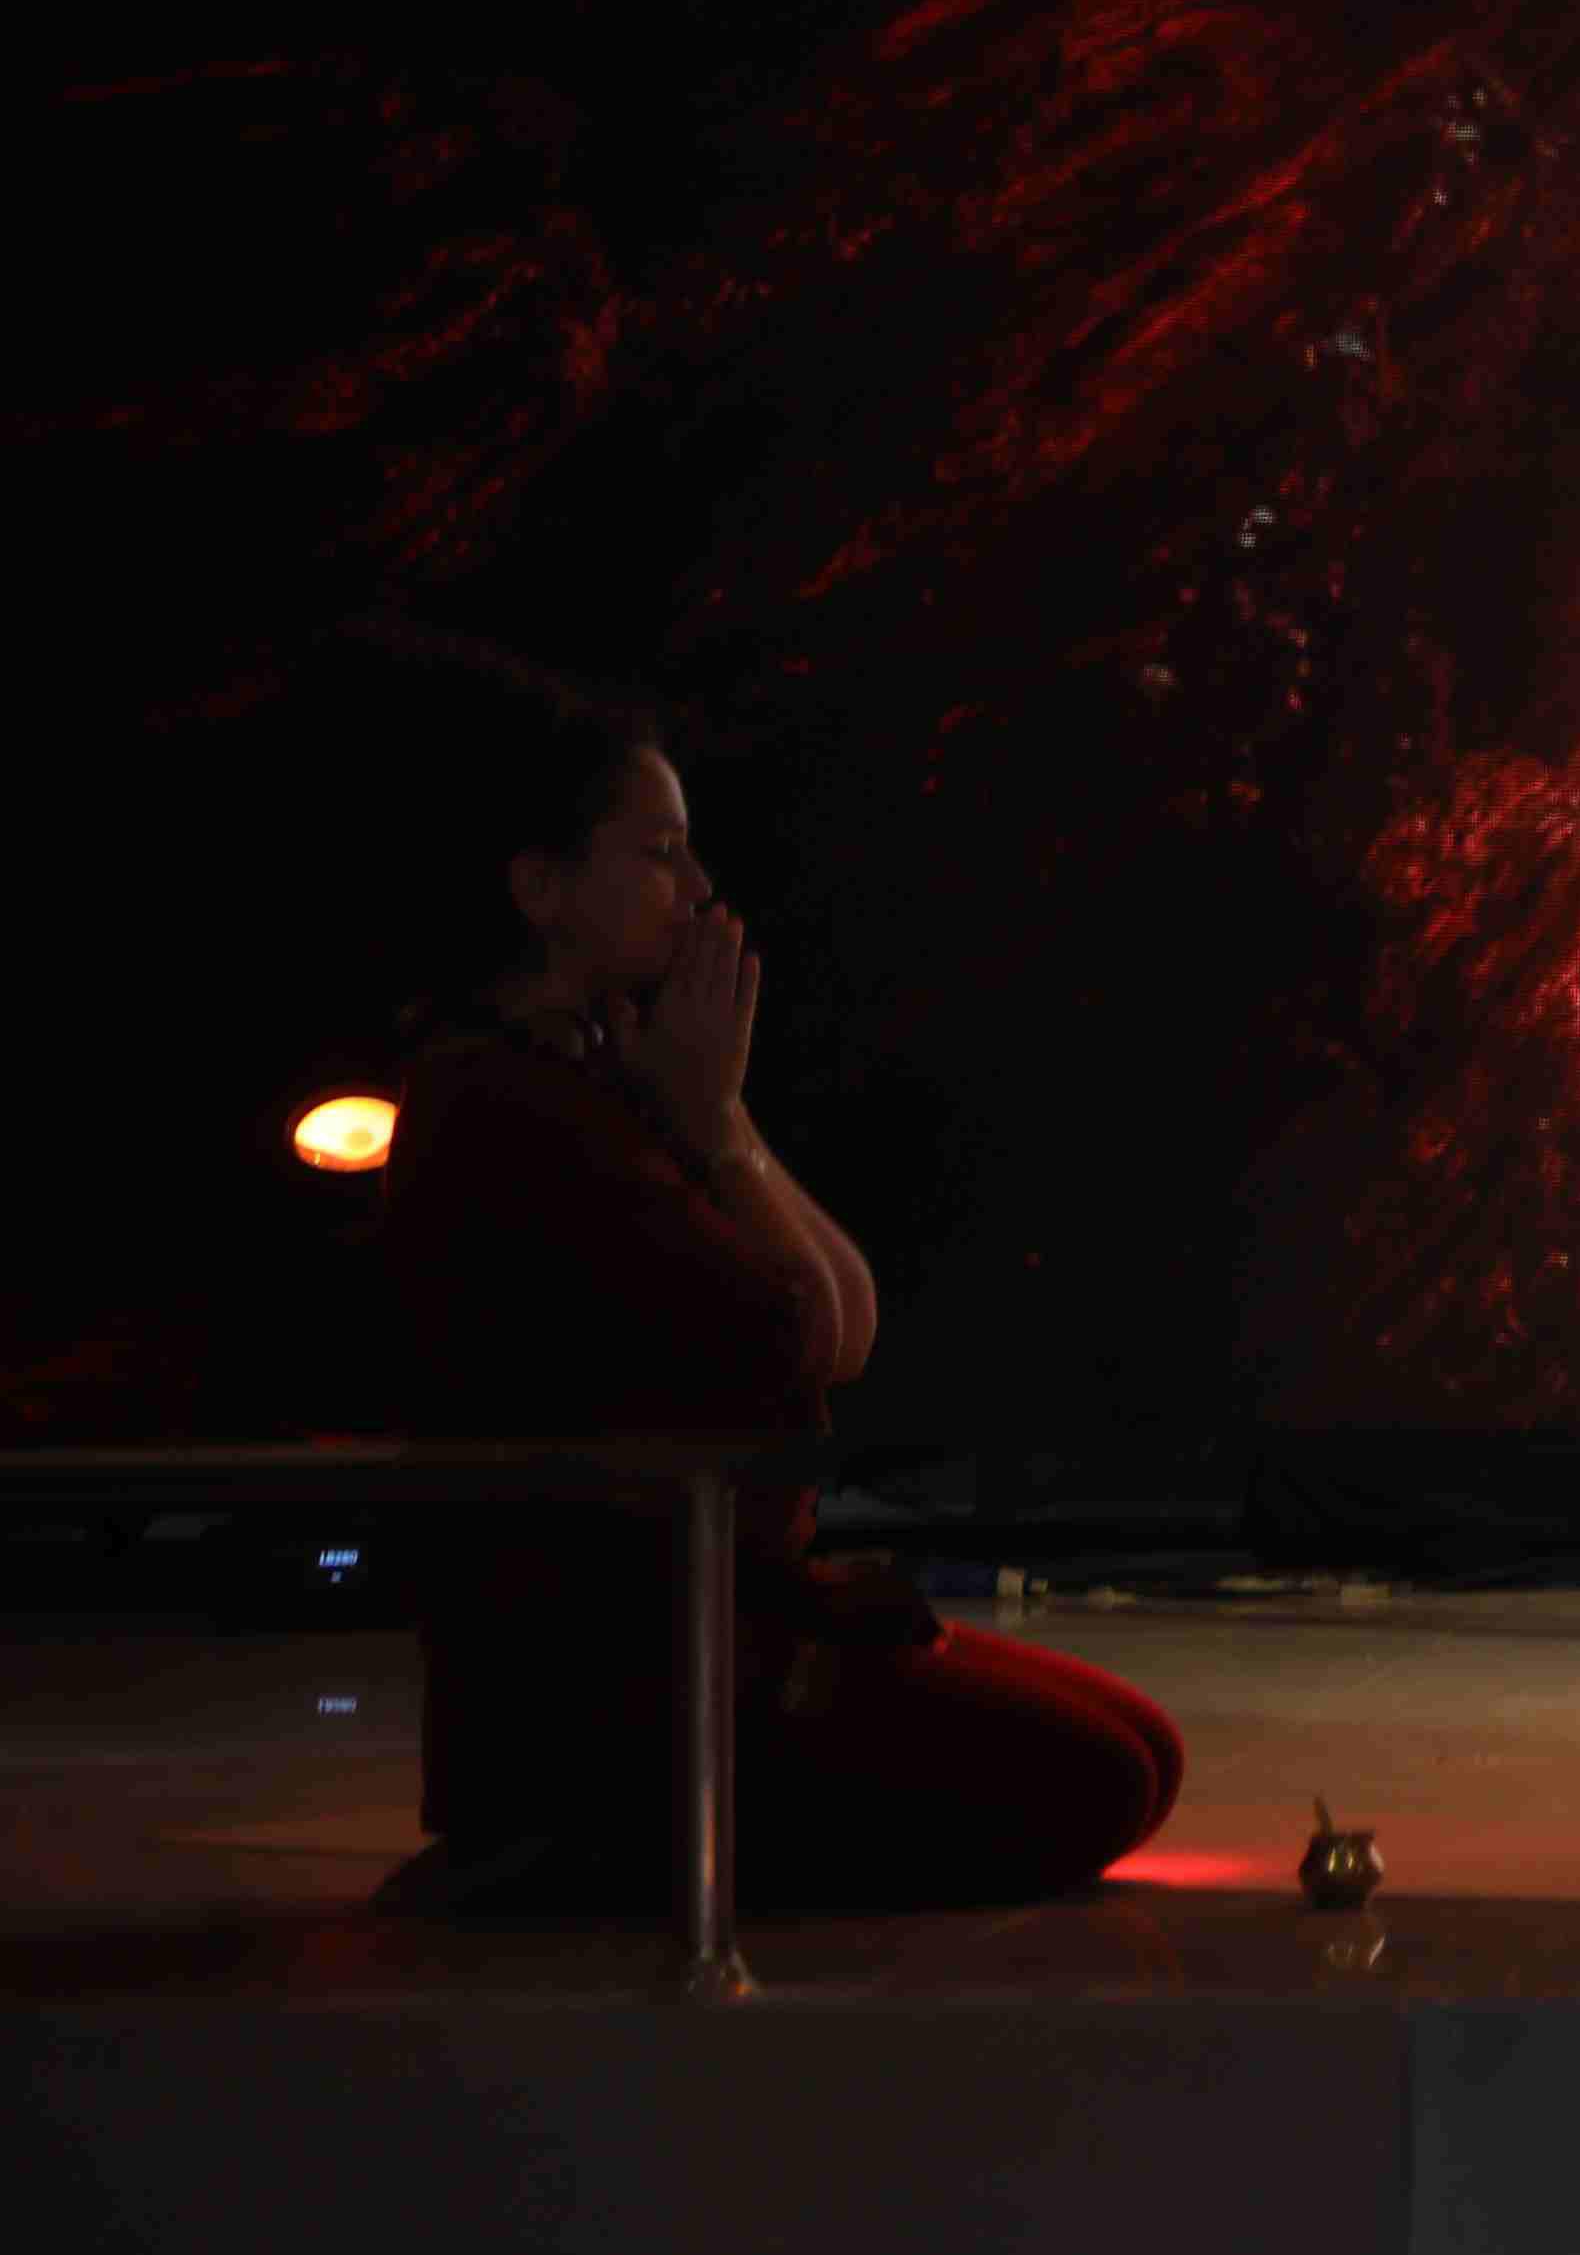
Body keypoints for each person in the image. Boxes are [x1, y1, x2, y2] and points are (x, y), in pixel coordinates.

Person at [365, 637, 1181, 1910]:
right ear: (542, 887)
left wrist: (723, 1120)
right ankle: (591, 1855)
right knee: (1102, 1777)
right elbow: (793, 1330)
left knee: (1141, 1745)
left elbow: (849, 1322)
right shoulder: (508, 1101)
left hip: (721, 1633)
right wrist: (711, 1125)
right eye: (658, 852)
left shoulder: (608, 1076)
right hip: (628, 1687)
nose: (698, 889)